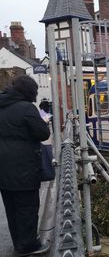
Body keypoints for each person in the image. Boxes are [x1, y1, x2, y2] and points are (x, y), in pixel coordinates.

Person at [0, 75, 50, 256]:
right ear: (29, 92)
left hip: (3, 169)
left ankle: (19, 243)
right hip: (23, 168)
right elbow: (43, 133)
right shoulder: (27, 108)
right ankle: (29, 246)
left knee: (12, 208)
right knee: (27, 208)